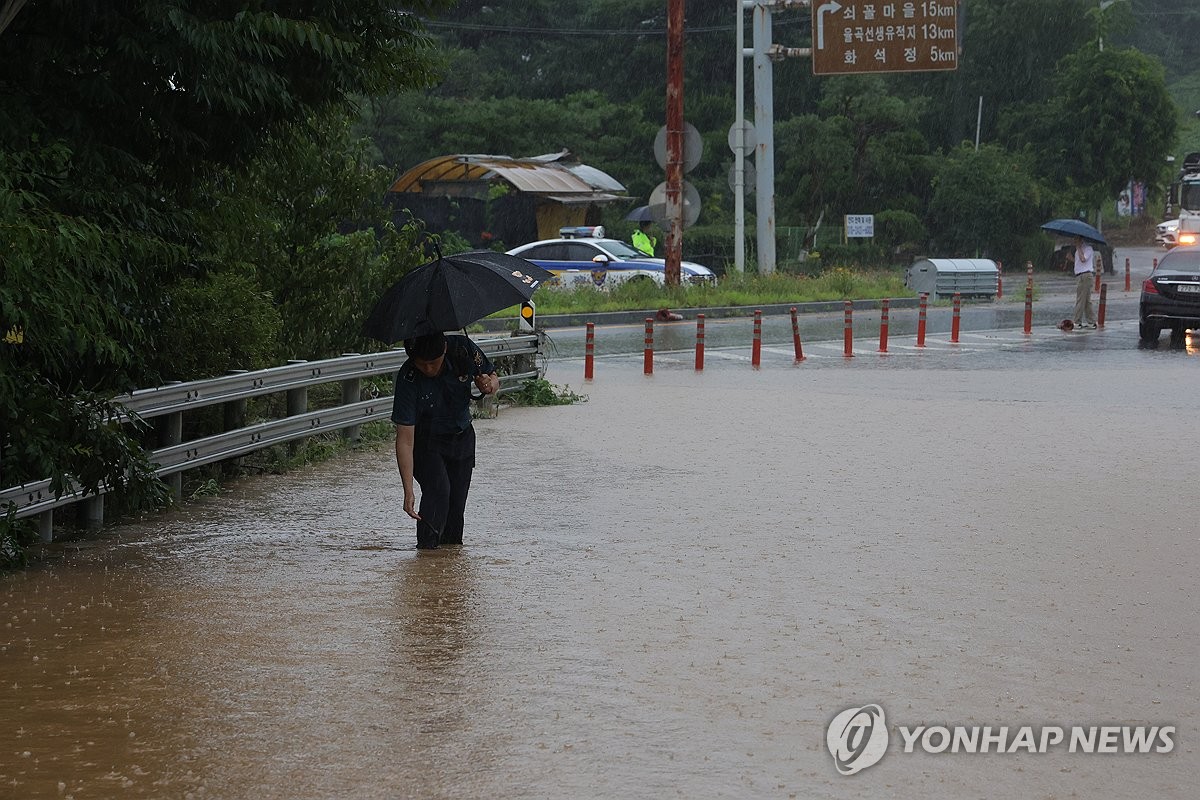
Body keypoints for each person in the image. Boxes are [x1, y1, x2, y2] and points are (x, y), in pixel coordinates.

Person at [391, 331, 499, 549]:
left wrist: (488, 386)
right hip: (426, 442)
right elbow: (405, 439)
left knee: (456, 505)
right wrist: (408, 490)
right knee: (438, 491)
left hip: (462, 437)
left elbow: (493, 378)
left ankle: (448, 564)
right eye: (423, 364)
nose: (429, 369)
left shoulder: (463, 350)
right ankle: (426, 554)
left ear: (444, 350)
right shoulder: (408, 377)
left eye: (434, 362)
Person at [1072, 235, 1097, 329]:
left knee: (1081, 299)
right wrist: (1071, 258)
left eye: (1076, 239)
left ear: (1081, 239)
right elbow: (1078, 261)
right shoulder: (1078, 250)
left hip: (1085, 275)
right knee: (1086, 300)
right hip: (1080, 275)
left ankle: (1077, 321)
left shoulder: (1088, 249)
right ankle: (1091, 321)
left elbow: (1083, 259)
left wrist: (1078, 247)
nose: (1074, 241)